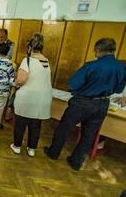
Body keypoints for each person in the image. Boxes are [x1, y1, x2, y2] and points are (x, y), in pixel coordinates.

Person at [44, 38, 126, 170]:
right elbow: (118, 89)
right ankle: (76, 162)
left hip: (82, 103)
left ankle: (54, 153)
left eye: (95, 51)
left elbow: (72, 84)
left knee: (64, 128)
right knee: (89, 135)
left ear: (99, 50)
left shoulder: (91, 65)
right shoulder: (121, 68)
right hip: (102, 104)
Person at [10, 33, 52, 157]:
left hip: (28, 98)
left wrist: (15, 82)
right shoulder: (46, 61)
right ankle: (31, 149)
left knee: (21, 123)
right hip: (43, 98)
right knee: (36, 125)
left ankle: (17, 146)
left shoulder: (27, 60)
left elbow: (21, 80)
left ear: (29, 48)